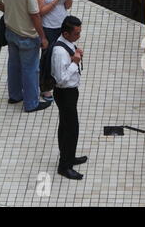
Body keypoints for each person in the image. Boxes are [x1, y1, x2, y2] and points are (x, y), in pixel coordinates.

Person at [0, 0, 51, 112]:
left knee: (13, 65)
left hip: (10, 31)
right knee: (30, 69)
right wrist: (43, 37)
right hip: (27, 36)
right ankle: (31, 103)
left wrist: (9, 11)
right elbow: (35, 15)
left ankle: (15, 95)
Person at [52, 16, 87, 180]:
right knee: (70, 130)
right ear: (66, 33)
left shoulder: (67, 43)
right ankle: (64, 166)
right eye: (76, 33)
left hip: (71, 92)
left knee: (67, 127)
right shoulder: (59, 52)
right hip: (65, 93)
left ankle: (69, 157)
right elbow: (61, 78)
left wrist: (76, 53)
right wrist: (75, 62)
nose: (79, 36)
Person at [37, 0, 74, 102]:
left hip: (63, 26)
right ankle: (45, 87)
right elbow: (41, 11)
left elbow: (68, 6)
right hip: (49, 27)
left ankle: (59, 82)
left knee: (63, 55)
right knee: (48, 58)